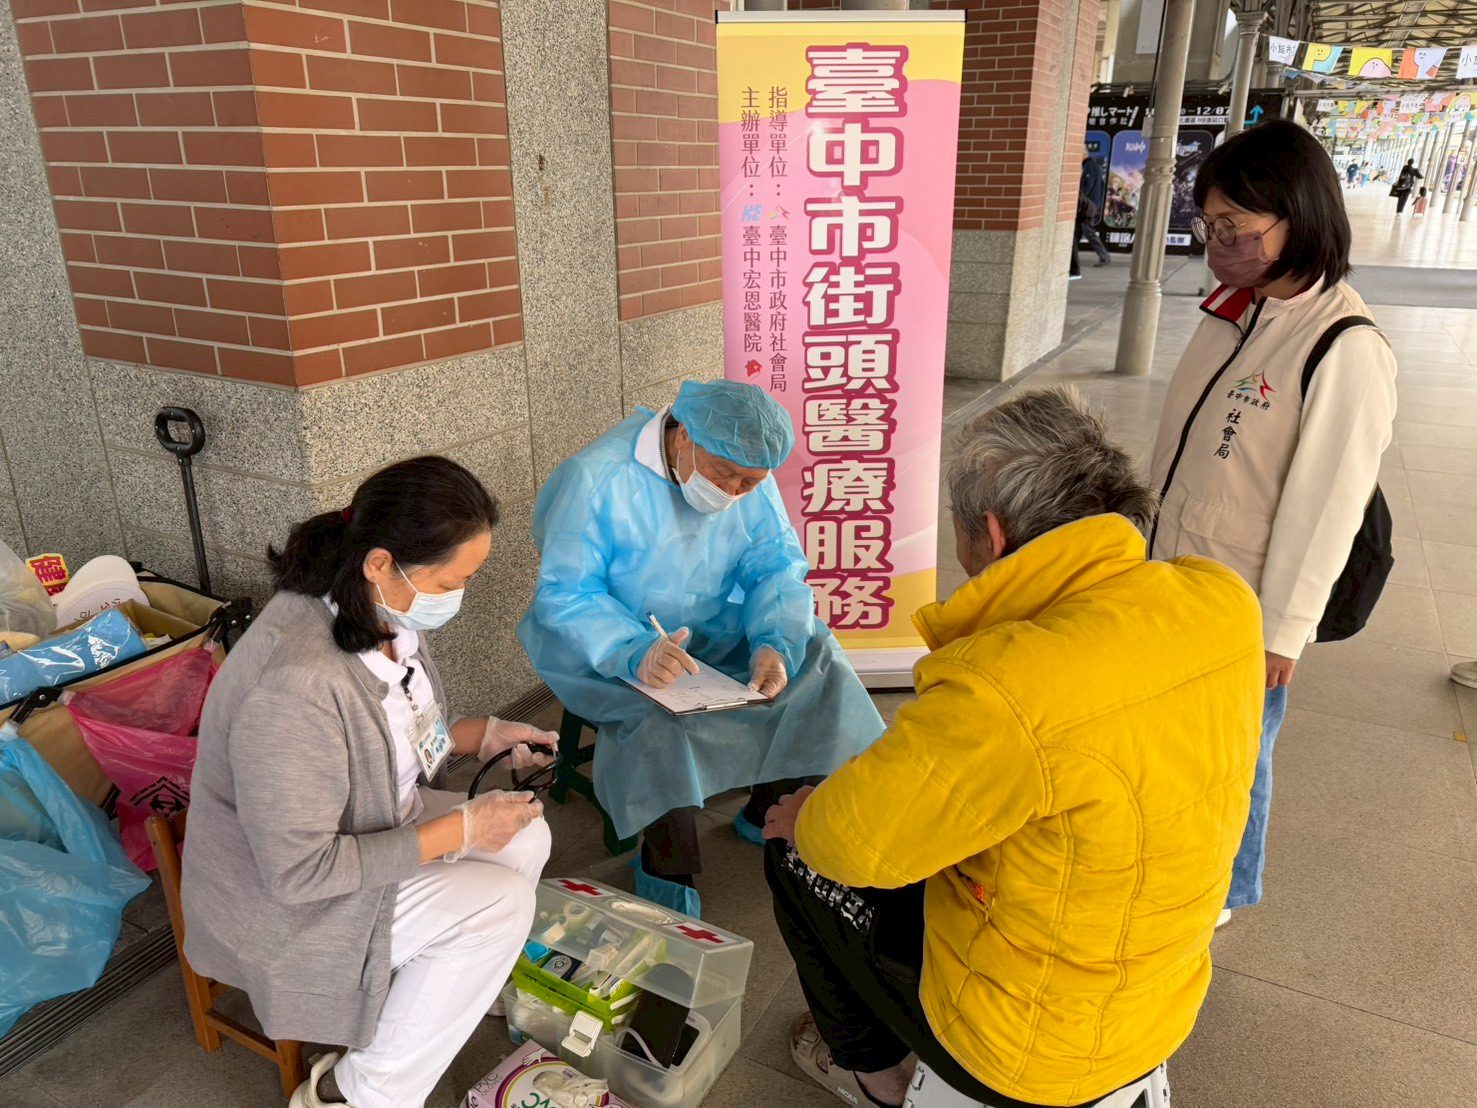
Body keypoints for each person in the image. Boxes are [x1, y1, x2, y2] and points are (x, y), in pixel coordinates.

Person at [761, 387, 1264, 1108]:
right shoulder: (1220, 600)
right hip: (1157, 1000)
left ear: (989, 537)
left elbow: (850, 847)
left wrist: (808, 817)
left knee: (792, 848)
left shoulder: (1003, 682)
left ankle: (874, 1075)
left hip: (1020, 1048)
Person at [183, 457, 558, 1108]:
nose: (458, 597)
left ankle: (432, 990)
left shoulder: (378, 611)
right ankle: (348, 1095)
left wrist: (480, 736)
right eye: (453, 580)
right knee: (500, 903)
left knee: (523, 838)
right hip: (284, 906)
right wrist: (460, 830)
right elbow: (298, 875)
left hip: (373, 820)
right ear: (381, 561)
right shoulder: (295, 685)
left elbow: (402, 732)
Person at [1153, 118, 1398, 926]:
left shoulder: (1341, 345)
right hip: (1175, 573)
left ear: (1300, 216)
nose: (1219, 243)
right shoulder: (1236, 310)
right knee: (1185, 738)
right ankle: (1180, 853)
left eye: (1236, 228)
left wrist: (1281, 630)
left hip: (1243, 599)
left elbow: (1328, 503)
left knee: (1238, 749)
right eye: (1209, 226)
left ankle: (1223, 891)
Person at [518, 380, 883, 916]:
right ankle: (667, 864)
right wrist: (634, 648)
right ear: (683, 433)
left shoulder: (746, 472)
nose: (735, 493)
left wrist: (773, 643)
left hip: (706, 625)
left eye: (750, 483)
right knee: (661, 713)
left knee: (816, 657)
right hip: (607, 642)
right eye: (723, 475)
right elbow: (567, 592)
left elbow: (776, 566)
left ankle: (770, 808)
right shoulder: (598, 477)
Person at [1069, 145, 1110, 278]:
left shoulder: (1089, 167)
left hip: (1087, 208)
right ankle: (1072, 264)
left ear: (1083, 153)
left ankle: (1103, 256)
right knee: (1076, 235)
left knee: (1088, 232)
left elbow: (1085, 189)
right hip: (1090, 207)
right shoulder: (1093, 166)